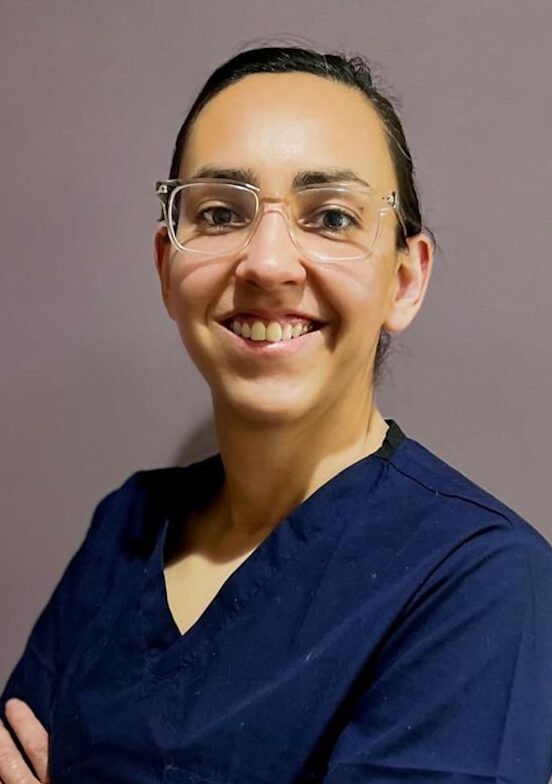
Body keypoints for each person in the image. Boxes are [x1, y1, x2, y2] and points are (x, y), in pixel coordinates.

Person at [1, 45, 551, 784]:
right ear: (166, 267)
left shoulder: (478, 581)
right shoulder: (125, 530)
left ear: (404, 279)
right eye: (220, 213)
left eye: (331, 217)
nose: (266, 262)